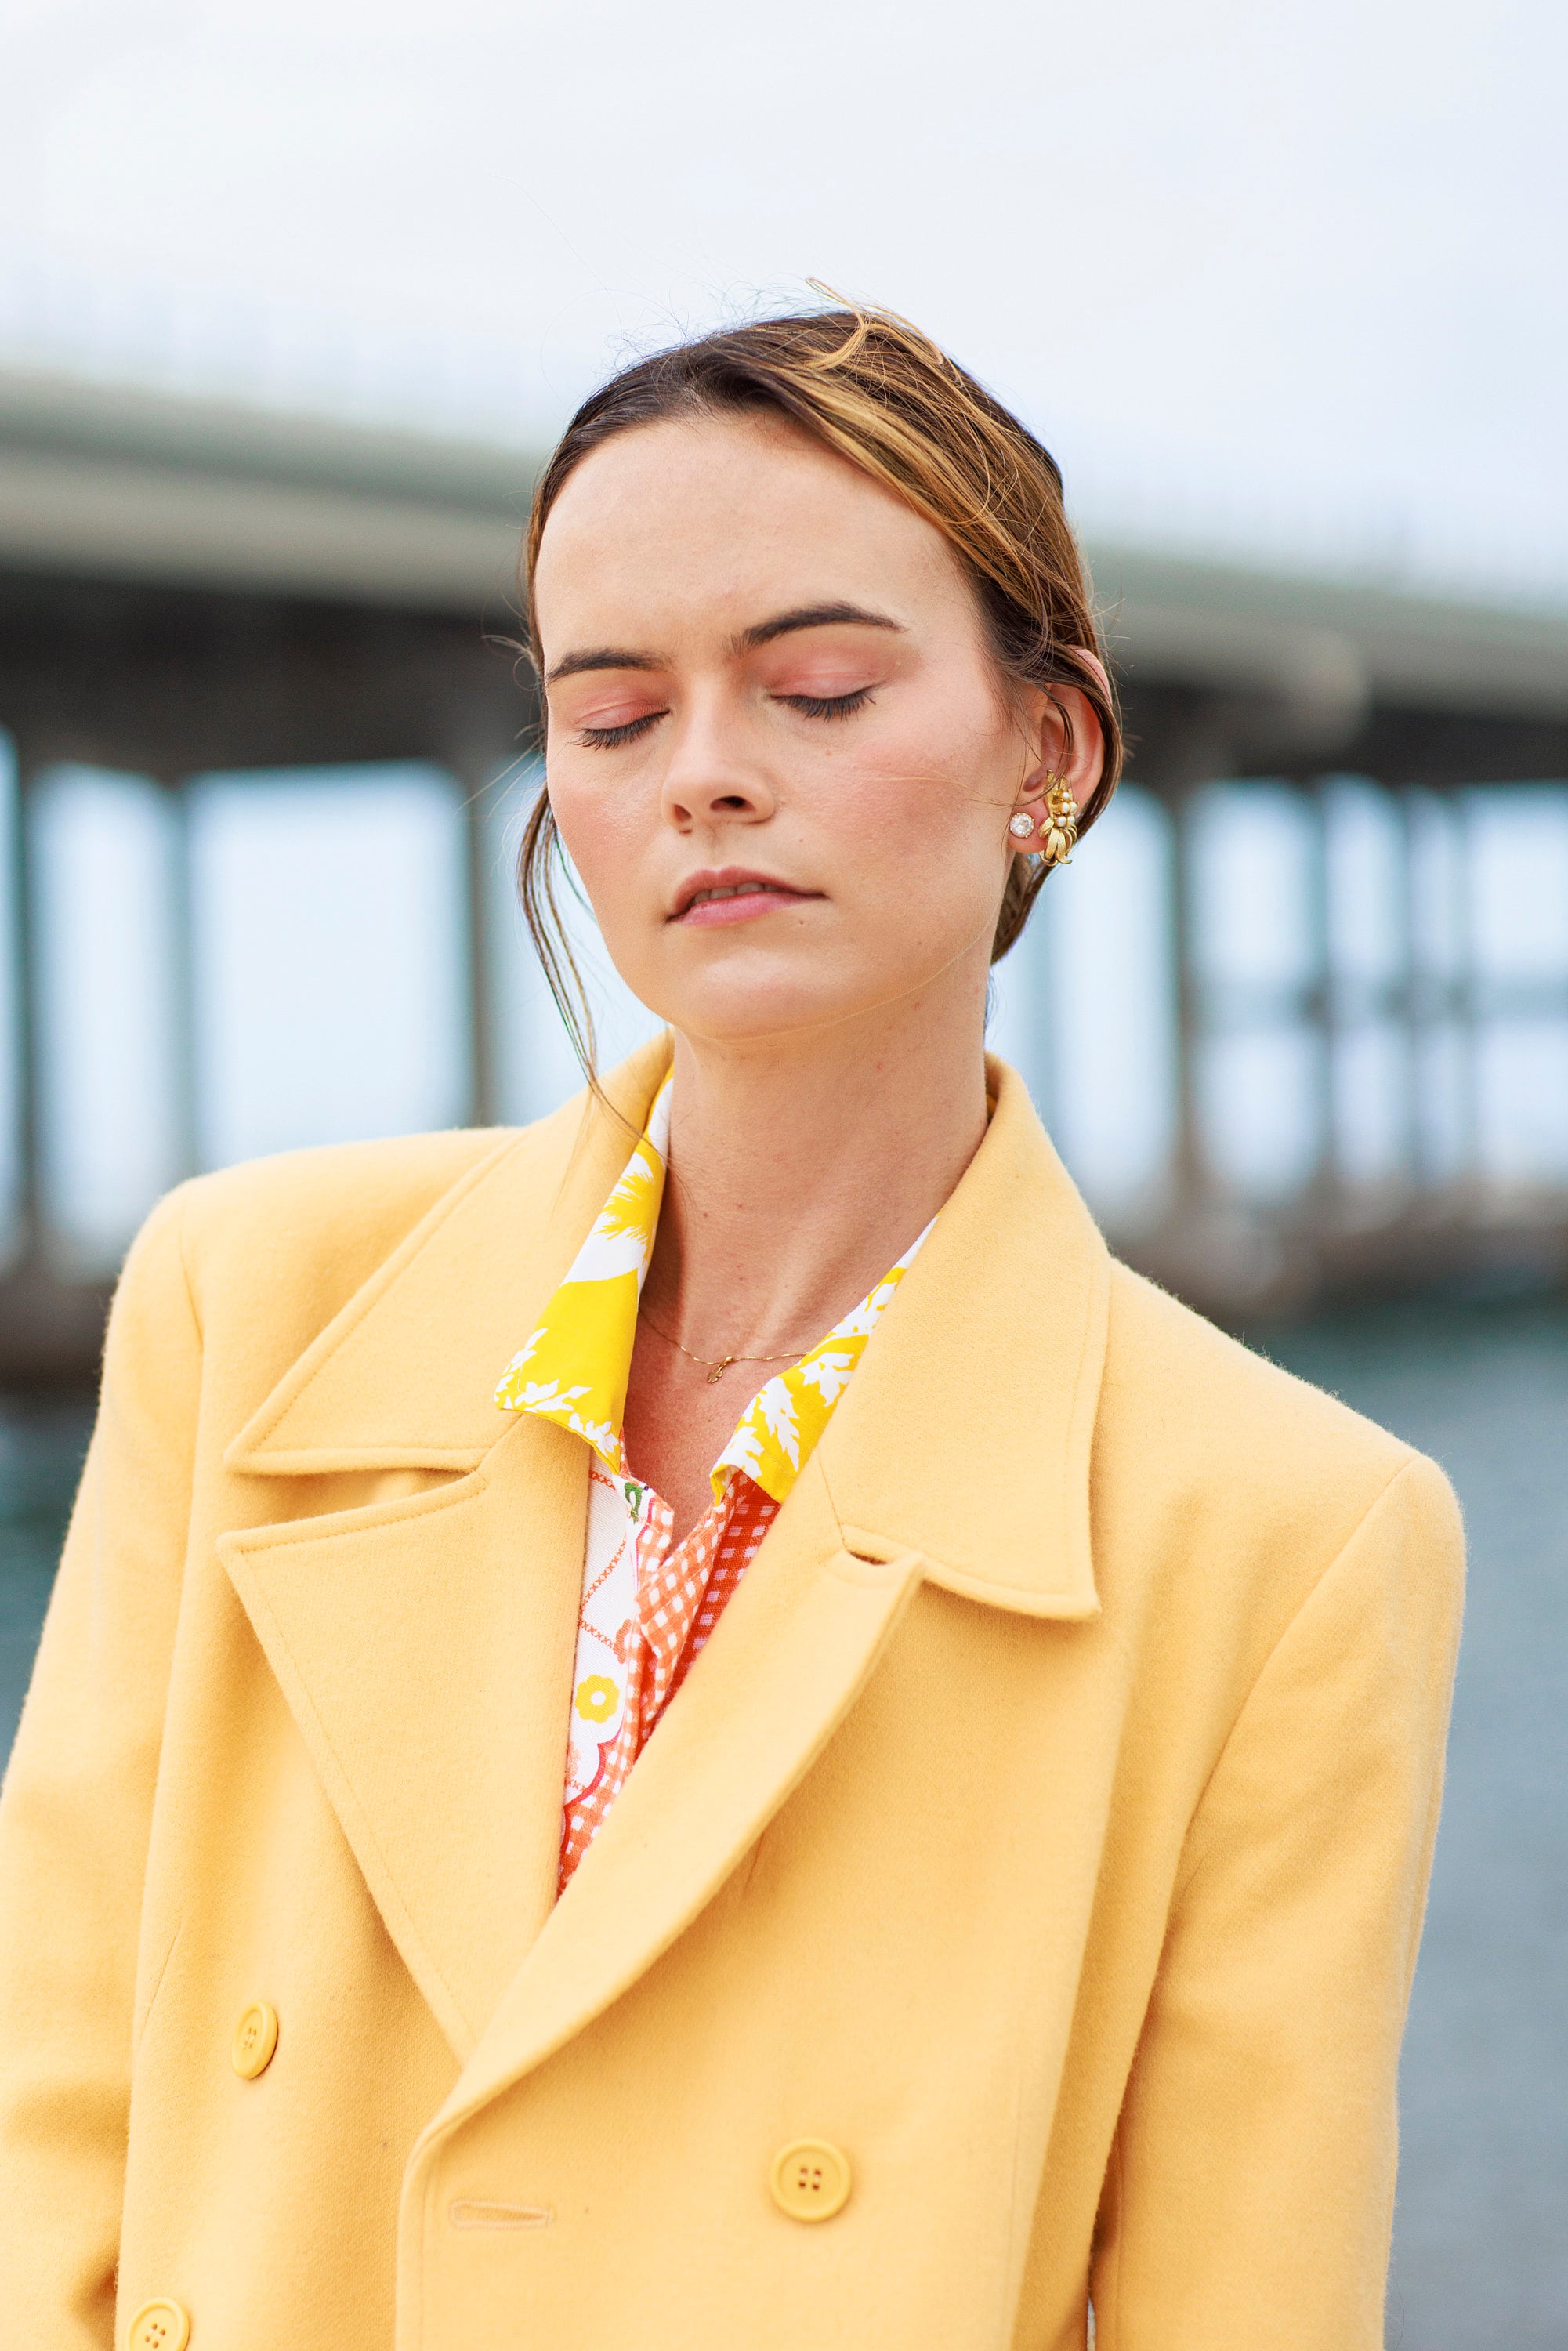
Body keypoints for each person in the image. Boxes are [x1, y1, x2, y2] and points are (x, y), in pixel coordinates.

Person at [0, 304, 1462, 2351]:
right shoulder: (249, 1308)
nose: (702, 778)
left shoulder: (1287, 1532)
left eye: (819, 687)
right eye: (609, 720)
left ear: (1049, 747)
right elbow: (48, 2120)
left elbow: (1241, 2301)